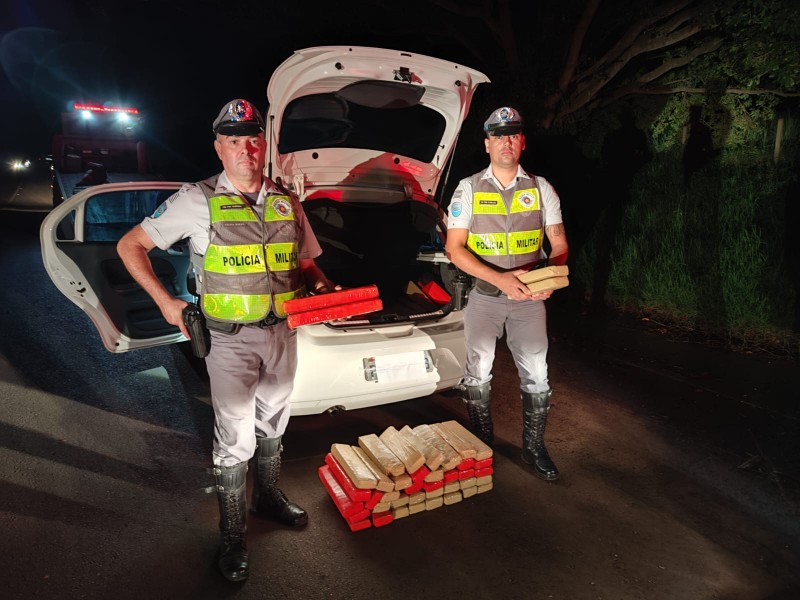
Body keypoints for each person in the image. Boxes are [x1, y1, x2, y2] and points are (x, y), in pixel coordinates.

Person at [117, 99, 337, 582]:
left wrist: (320, 284)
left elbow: (305, 262)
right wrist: (166, 304)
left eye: (253, 139)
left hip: (284, 331)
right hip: (229, 340)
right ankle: (234, 536)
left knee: (276, 417)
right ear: (220, 148)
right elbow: (130, 245)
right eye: (234, 141)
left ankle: (268, 496)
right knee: (234, 436)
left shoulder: (286, 200)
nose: (246, 149)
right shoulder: (196, 199)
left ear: (265, 145)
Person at [445, 106, 569, 481]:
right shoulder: (467, 188)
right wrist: (501, 281)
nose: (506, 143)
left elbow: (559, 242)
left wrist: (549, 278)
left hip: (529, 302)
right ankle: (483, 441)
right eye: (499, 136)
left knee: (537, 374)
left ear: (522, 142)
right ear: (487, 144)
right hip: (485, 297)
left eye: (513, 135)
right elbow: (455, 249)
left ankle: (534, 449)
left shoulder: (541, 187)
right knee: (478, 371)